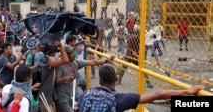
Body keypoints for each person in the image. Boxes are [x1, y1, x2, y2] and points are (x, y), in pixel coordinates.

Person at [76, 65, 204, 112]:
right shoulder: (121, 99)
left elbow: (76, 108)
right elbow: (158, 94)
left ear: (99, 81)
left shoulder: (86, 94)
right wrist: (187, 91)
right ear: (116, 79)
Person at [55, 45, 115, 112]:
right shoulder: (60, 66)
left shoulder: (75, 62)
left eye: (73, 52)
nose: (74, 54)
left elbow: (92, 62)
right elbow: (56, 82)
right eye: (71, 53)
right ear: (65, 55)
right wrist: (65, 78)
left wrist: (106, 61)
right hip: (62, 97)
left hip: (72, 95)